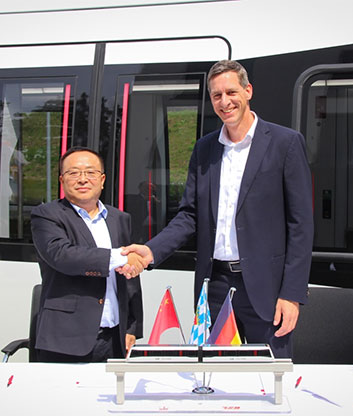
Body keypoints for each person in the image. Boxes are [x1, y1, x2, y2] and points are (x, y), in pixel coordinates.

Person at [123, 60, 313, 358]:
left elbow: (301, 225)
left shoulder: (285, 143)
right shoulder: (205, 148)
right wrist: (151, 251)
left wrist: (292, 293)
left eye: (231, 92)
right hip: (214, 287)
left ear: (248, 91)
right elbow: (189, 215)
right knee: (213, 374)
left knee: (271, 375)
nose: (225, 102)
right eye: (216, 95)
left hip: (267, 289)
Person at [31, 147, 144, 362]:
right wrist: (121, 257)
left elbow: (130, 279)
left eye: (91, 172)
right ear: (62, 180)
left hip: (115, 337)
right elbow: (62, 255)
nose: (83, 179)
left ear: (102, 180)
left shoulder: (120, 219)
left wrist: (132, 327)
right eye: (73, 173)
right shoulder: (46, 215)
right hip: (66, 339)